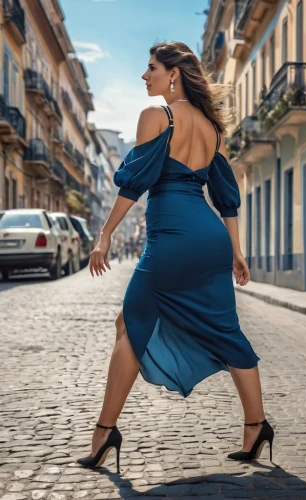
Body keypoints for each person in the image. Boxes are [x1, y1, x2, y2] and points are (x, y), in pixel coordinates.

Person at [79, 42, 274, 473]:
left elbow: (133, 185)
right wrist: (236, 250)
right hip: (209, 238)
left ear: (174, 74)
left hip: (171, 238)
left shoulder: (156, 117)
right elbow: (226, 198)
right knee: (225, 330)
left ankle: (104, 432)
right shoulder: (212, 128)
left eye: (151, 68)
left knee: (132, 323)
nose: (144, 76)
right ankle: (256, 425)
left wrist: (105, 235)